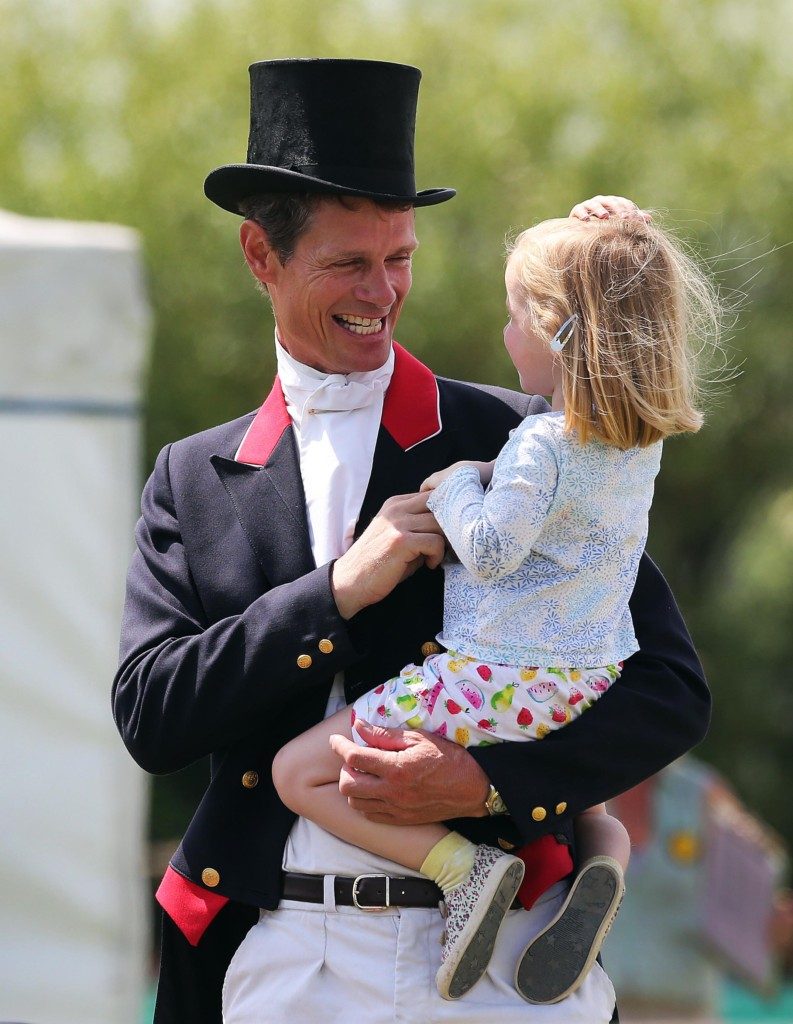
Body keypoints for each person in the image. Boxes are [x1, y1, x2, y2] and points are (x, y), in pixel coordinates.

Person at [112, 59, 710, 1024]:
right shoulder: (192, 476)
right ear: (260, 256)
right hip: (282, 963)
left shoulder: (520, 437)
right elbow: (153, 718)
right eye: (349, 262)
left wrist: (487, 783)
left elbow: (667, 691)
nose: (382, 290)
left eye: (400, 258)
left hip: (507, 968)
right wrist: (335, 593)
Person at [272, 212, 716, 1004]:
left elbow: (490, 550)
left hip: (492, 676)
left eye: (516, 314)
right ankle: (601, 853)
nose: (505, 331)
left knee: (297, 771)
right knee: (579, 770)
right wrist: (624, 255)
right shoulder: (630, 442)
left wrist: (457, 488)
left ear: (552, 327)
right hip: (586, 676)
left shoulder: (538, 441)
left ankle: (462, 871)